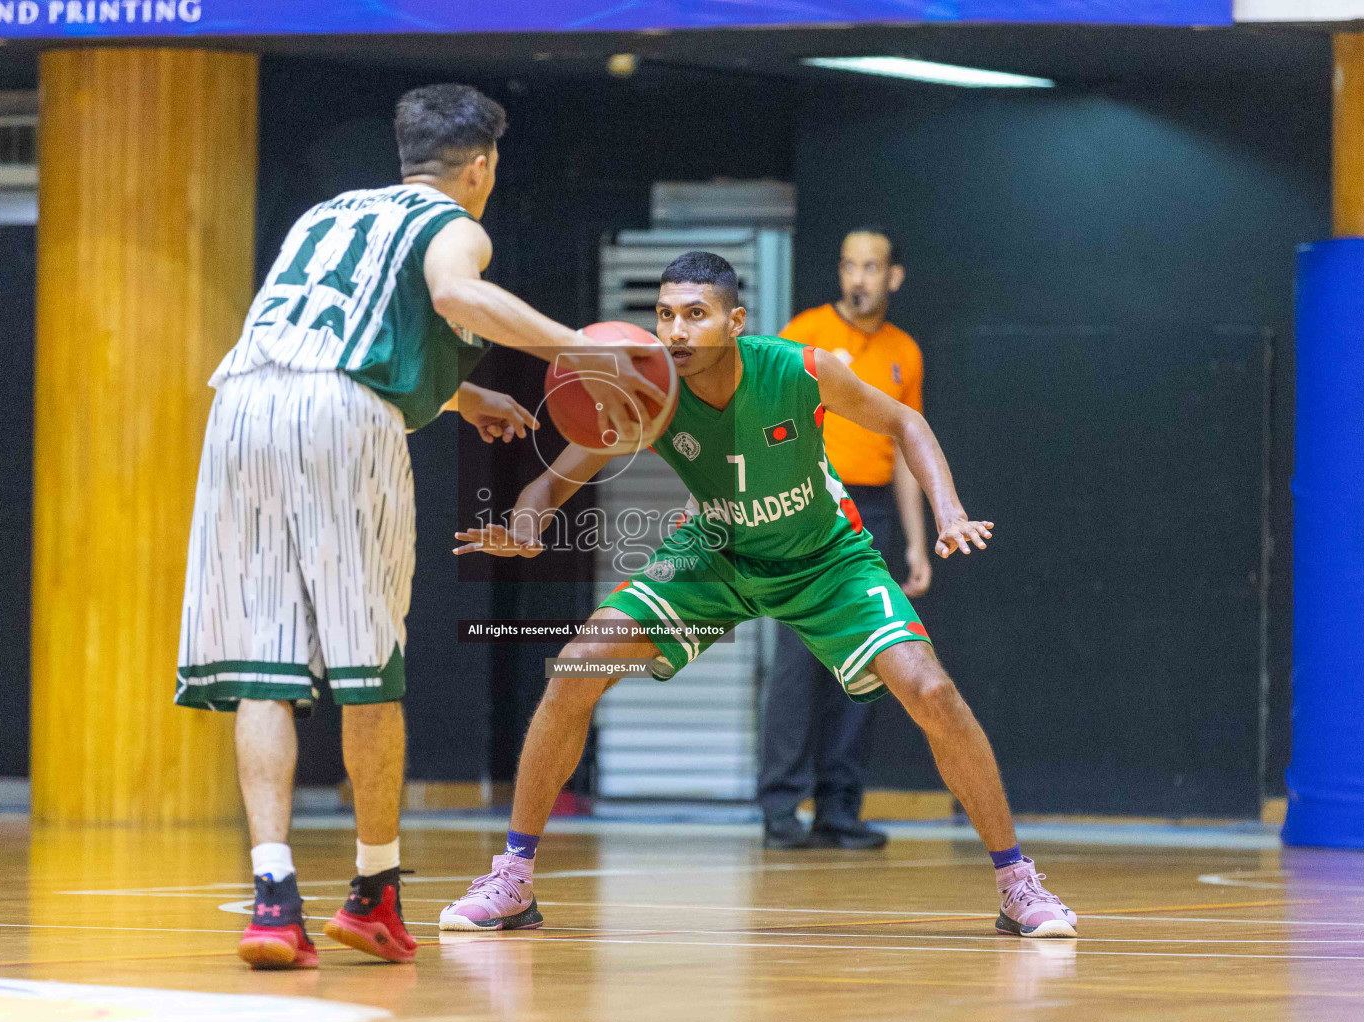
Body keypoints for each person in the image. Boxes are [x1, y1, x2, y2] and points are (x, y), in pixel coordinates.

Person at [174, 83, 667, 970]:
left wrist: (462, 392)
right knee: (368, 663)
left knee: (267, 660)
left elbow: (337, 337)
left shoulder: (329, 215)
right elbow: (455, 297)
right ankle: (372, 893)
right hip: (342, 417)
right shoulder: (456, 224)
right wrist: (578, 347)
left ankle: (273, 898)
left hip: (239, 407)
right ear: (479, 168)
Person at [443, 251, 1077, 939]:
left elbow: (905, 422)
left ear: (734, 321)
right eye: (663, 315)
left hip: (822, 558)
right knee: (579, 665)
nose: (676, 331)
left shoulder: (799, 368)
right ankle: (513, 878)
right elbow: (551, 483)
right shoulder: (646, 388)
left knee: (931, 692)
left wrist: (948, 510)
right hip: (715, 552)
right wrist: (527, 523)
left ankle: (1018, 885)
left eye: (694, 315)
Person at [758, 227, 928, 851]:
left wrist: (915, 541)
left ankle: (839, 809)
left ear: (893, 277)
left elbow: (907, 449)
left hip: (876, 511)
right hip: (807, 505)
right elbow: (760, 416)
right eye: (850, 265)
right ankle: (780, 808)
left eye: (872, 266)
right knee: (799, 661)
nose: (859, 277)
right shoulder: (805, 330)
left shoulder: (903, 352)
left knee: (869, 660)